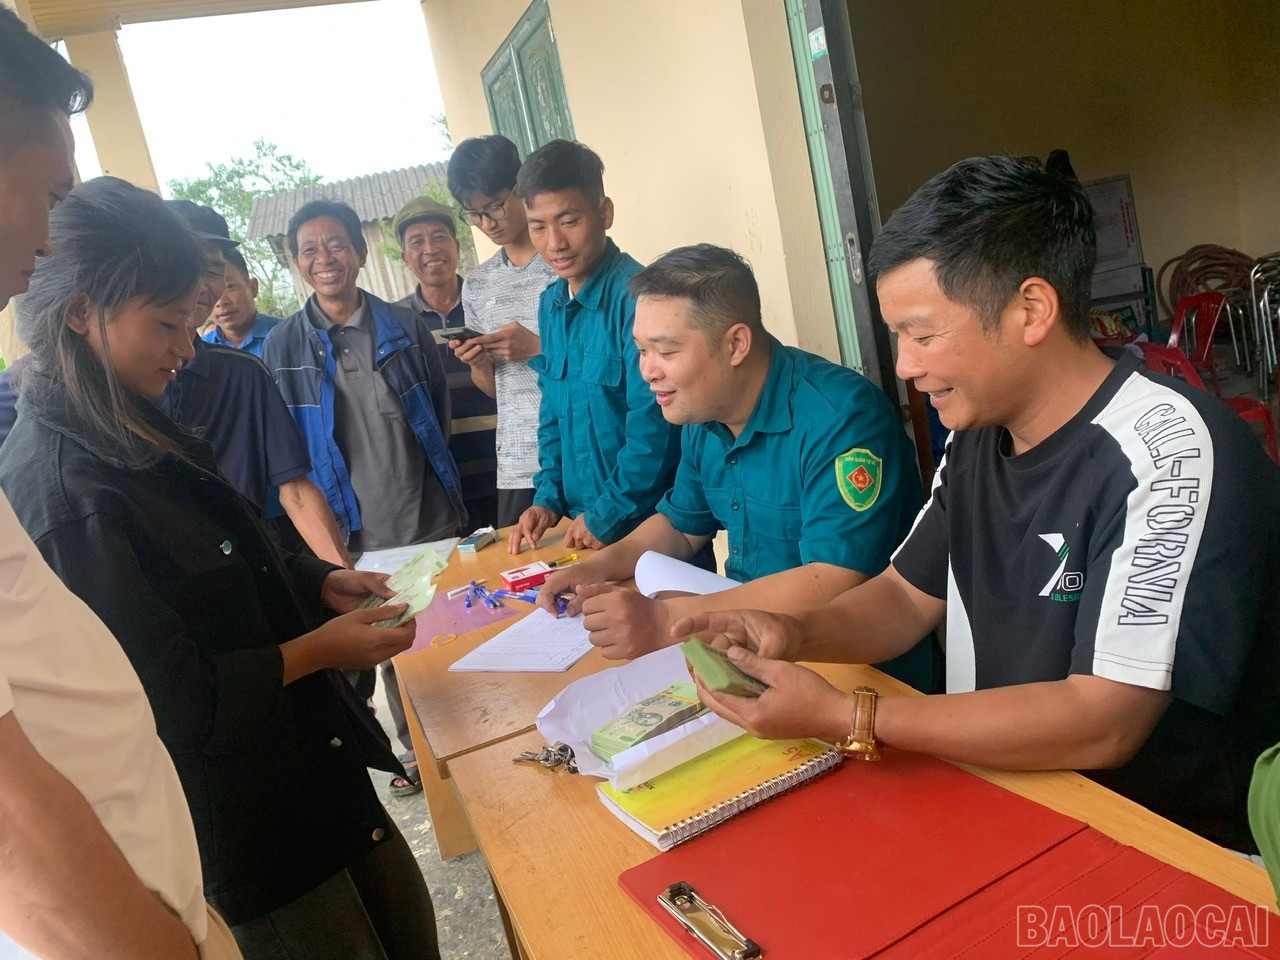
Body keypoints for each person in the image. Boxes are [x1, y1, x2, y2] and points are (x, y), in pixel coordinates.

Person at [674, 155, 1280, 854]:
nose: (903, 364)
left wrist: (849, 715)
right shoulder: (975, 438)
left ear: (1031, 310)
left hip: (1161, 845)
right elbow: (904, 599)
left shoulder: (1168, 449)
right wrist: (789, 631)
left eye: (923, 335)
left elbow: (1104, 720)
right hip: (1004, 801)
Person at [0, 176, 441, 959]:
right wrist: (322, 650)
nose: (186, 347)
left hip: (318, 773)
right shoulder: (65, 492)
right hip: (247, 832)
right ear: (78, 313)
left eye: (192, 322)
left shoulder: (140, 415)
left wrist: (316, 582)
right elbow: (172, 698)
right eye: (168, 324)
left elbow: (233, 555)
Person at [0, 14, 242, 958]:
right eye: (51, 191)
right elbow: (16, 830)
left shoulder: (145, 420)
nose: (48, 236)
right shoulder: (59, 478)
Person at [539, 244, 932, 687]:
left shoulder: (841, 419)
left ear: (736, 344)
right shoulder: (704, 413)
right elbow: (680, 524)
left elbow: (831, 580)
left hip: (856, 675)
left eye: (665, 352)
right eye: (641, 350)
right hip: (751, 657)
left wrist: (667, 618)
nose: (648, 370)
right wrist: (595, 568)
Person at [262, 198, 463, 794]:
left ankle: (448, 754)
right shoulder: (283, 348)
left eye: (335, 246)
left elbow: (438, 421)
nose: (324, 259)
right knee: (374, 655)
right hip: (350, 537)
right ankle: (402, 757)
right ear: (296, 263)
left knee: (437, 649)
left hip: (427, 520)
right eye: (309, 251)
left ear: (360, 252)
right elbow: (291, 463)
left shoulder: (404, 328)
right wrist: (331, 558)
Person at [508, 139, 683, 556]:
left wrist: (606, 514)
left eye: (569, 220)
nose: (554, 243)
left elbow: (655, 427)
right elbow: (551, 411)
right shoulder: (550, 304)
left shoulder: (643, 299)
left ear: (604, 213)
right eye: (537, 226)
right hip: (581, 529)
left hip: (650, 529)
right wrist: (547, 498)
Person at [162, 201, 351, 568]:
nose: (202, 284)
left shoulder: (245, 375)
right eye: (187, 263)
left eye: (214, 268)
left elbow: (295, 491)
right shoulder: (108, 388)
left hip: (250, 568)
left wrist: (346, 575)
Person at [446, 135, 556, 526]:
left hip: (574, 456)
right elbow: (497, 390)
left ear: (521, 187)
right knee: (522, 579)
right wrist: (478, 364)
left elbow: (607, 362)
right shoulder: (477, 284)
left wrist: (538, 348)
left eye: (493, 206)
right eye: (473, 214)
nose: (486, 222)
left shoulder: (563, 263)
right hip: (515, 460)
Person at [393, 196, 499, 528]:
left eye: (439, 236)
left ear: (456, 245)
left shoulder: (491, 305)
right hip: (442, 485)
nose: (431, 249)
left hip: (506, 469)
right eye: (417, 241)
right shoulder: (396, 324)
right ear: (405, 257)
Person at [205, 246, 281, 357]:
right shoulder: (201, 350)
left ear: (253, 288)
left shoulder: (287, 335)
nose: (221, 301)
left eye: (229, 287)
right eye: (210, 290)